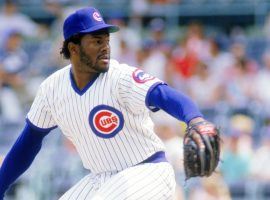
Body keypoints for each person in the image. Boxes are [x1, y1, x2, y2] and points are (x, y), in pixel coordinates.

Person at [0, 7, 216, 200]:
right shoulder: (51, 89)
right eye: (96, 41)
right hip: (100, 178)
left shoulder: (120, 77)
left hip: (147, 170)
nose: (105, 47)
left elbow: (164, 95)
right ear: (73, 48)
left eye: (106, 40)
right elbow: (28, 144)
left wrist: (194, 119)